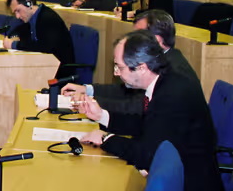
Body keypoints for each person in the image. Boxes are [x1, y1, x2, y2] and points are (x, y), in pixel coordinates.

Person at [77, 31, 226, 191]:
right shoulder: (167, 81)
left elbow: (147, 154)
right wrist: (102, 116)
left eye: (119, 67)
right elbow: (148, 125)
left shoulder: (172, 96)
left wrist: (105, 139)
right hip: (179, 181)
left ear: (142, 68)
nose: (117, 73)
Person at [64, 10, 199, 114]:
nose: (132, 41)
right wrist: (87, 90)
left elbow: (135, 107)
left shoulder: (173, 73)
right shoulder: (160, 60)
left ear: (156, 40)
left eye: (138, 36)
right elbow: (126, 91)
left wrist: (90, 102)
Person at [3, 0, 76, 78]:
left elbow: (43, 47)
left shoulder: (48, 18)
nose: (17, 16)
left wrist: (14, 44)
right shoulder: (30, 18)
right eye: (15, 13)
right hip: (42, 68)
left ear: (28, 4)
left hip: (58, 72)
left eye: (18, 11)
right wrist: (15, 37)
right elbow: (16, 31)